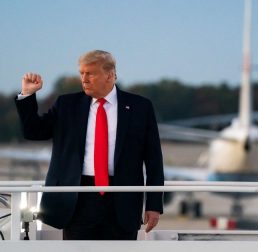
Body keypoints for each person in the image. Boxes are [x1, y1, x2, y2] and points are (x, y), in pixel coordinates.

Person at [15, 50, 164, 240]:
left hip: (122, 199)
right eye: (81, 73)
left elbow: (154, 160)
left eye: (90, 73)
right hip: (77, 199)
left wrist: (153, 205)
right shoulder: (66, 105)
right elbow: (33, 132)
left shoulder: (140, 107)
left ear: (110, 75)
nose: (84, 79)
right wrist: (27, 96)